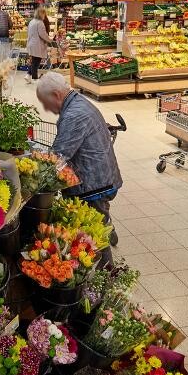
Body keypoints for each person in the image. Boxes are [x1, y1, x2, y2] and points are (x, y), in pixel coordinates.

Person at [36, 72, 122, 253]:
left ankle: (106, 270)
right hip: (102, 175)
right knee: (98, 218)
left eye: (45, 102)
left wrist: (36, 174)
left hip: (93, 184)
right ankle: (106, 225)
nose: (45, 108)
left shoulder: (74, 115)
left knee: (92, 235)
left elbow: (59, 155)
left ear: (56, 95)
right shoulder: (78, 102)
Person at [26, 7, 54, 83]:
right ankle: (35, 79)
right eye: (44, 13)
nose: (45, 15)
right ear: (41, 14)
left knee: (33, 61)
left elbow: (28, 33)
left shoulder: (32, 21)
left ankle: (28, 75)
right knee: (36, 63)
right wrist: (49, 40)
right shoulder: (40, 23)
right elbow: (43, 34)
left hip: (31, 43)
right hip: (37, 45)